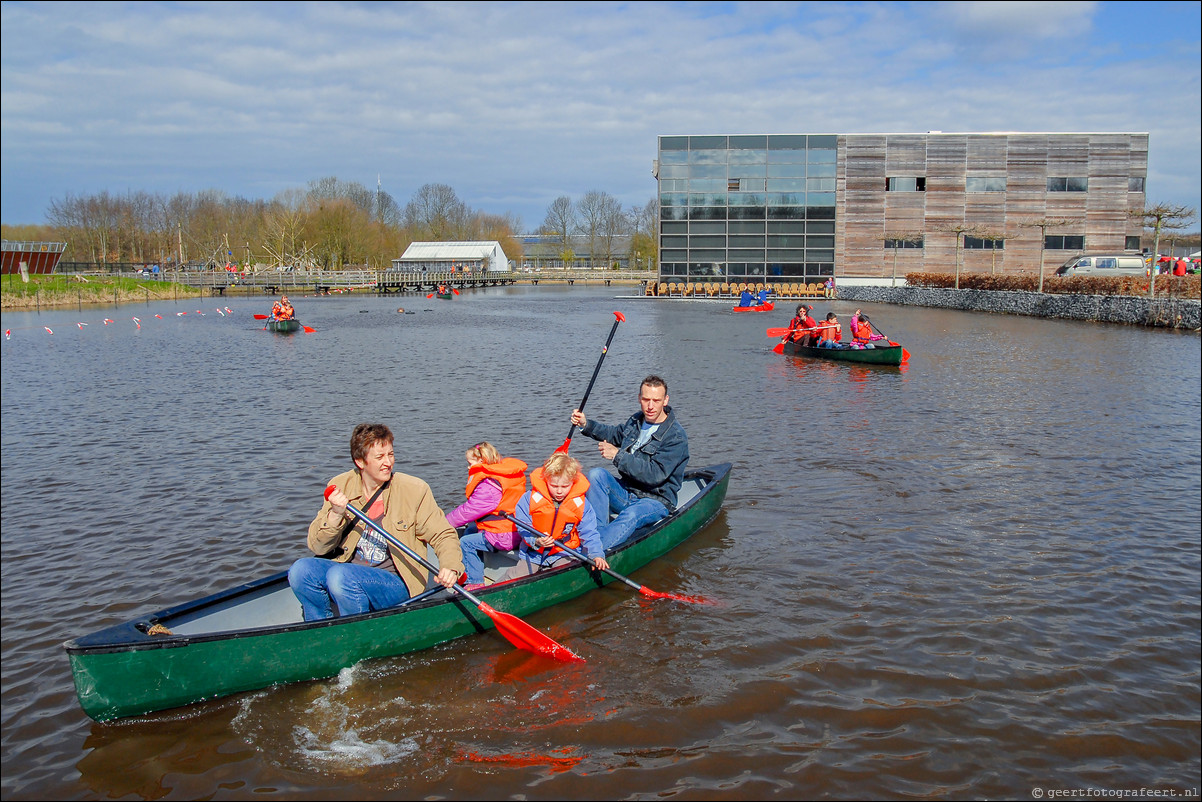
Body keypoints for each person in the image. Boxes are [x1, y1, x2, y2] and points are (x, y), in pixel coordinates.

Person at [287, 423, 464, 621]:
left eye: (391, 454)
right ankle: (319, 629)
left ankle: (355, 636)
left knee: (341, 577)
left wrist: (450, 566)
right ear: (360, 462)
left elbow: (443, 534)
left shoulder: (413, 490)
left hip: (396, 581)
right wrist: (336, 514)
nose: (388, 462)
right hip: (345, 570)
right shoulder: (340, 486)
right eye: (380, 457)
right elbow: (318, 547)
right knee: (300, 571)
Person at [569, 375, 690, 551]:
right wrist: (586, 424)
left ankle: (594, 552)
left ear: (665, 400)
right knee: (596, 474)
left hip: (656, 500)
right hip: (627, 492)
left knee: (630, 514)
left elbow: (654, 474)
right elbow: (614, 434)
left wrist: (617, 455)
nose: (650, 406)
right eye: (646, 399)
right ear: (639, 398)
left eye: (656, 400)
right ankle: (596, 537)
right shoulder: (636, 421)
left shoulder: (676, 437)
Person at [504, 452, 609, 579]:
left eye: (565, 486)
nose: (559, 491)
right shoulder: (529, 499)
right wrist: (536, 540)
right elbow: (523, 525)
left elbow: (589, 532)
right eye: (554, 486)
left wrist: (596, 554)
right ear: (546, 480)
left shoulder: (581, 504)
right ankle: (485, 593)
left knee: (564, 575)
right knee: (516, 575)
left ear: (573, 482)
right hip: (534, 552)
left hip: (564, 552)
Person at [445, 442, 528, 590]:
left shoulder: (490, 486)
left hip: (503, 535)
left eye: (470, 463)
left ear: (481, 462)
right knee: (470, 529)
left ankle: (475, 582)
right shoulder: (504, 476)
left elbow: (469, 510)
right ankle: (467, 571)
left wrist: (444, 523)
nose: (468, 467)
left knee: (466, 542)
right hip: (512, 530)